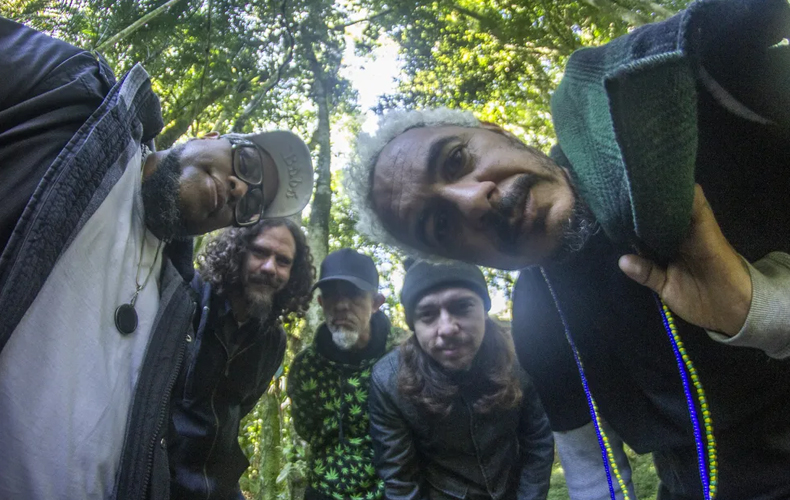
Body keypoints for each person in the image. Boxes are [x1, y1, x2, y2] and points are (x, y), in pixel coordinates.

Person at [347, 0, 790, 497]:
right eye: (441, 225)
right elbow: (593, 473)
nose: (473, 199)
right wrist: (756, 310)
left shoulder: (685, 104)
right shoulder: (539, 319)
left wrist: (765, 305)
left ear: (496, 130)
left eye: (456, 159)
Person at [0, 18, 313, 500]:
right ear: (211, 135)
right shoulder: (76, 97)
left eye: (252, 203)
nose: (238, 188)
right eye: (246, 163)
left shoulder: (175, 303)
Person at [369, 260, 554, 500]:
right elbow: (401, 480)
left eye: (462, 307)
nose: (447, 329)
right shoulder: (389, 381)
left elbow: (537, 442)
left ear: (484, 309)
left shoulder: (518, 357)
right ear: (413, 325)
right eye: (427, 315)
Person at [168, 217, 315, 499]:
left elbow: (239, 410)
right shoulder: (189, 298)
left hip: (219, 486)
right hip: (161, 479)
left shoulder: (273, 341)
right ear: (238, 252)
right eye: (260, 252)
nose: (270, 268)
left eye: (283, 261)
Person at [287, 249, 389, 500]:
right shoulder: (306, 366)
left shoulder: (402, 358)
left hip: (389, 491)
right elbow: (306, 428)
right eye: (332, 294)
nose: (342, 305)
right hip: (323, 490)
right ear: (321, 303)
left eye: (354, 294)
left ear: (376, 303)